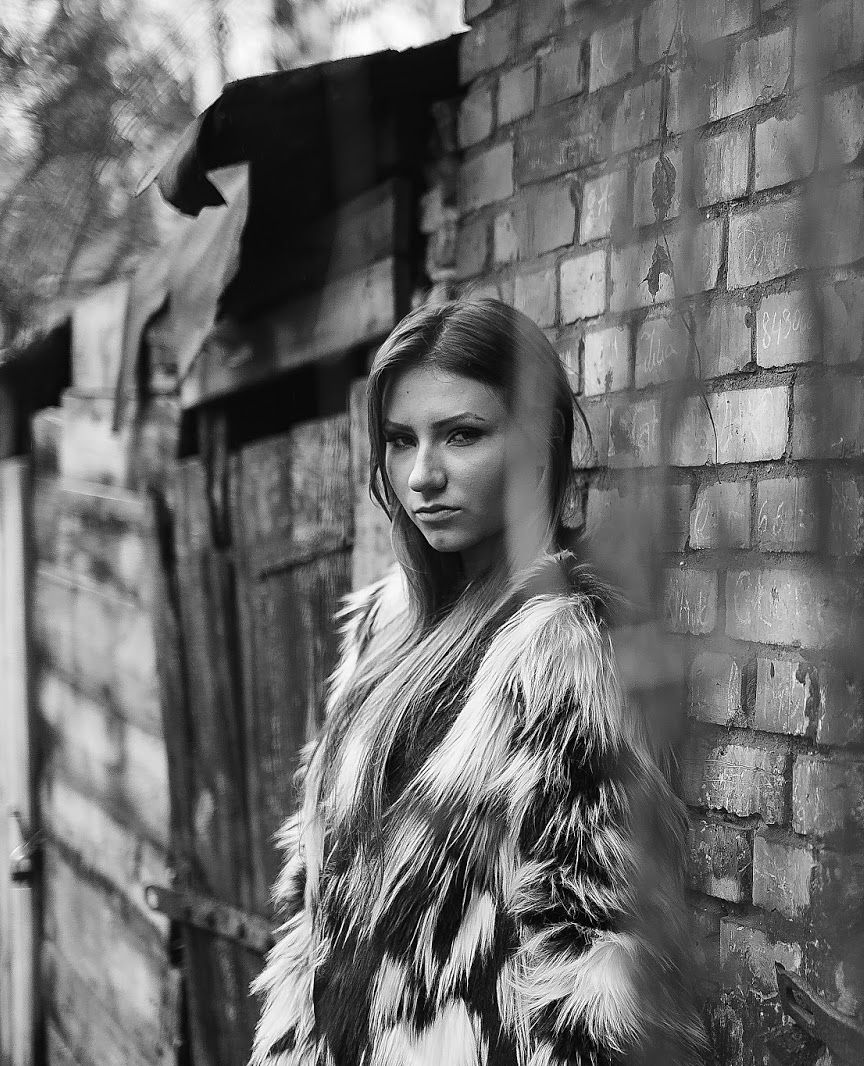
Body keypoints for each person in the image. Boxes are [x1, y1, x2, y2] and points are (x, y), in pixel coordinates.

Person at [248, 298, 710, 1066]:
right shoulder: (382, 633)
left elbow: (598, 964)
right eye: (401, 441)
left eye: (462, 435)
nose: (421, 476)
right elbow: (311, 919)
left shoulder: (569, 651)